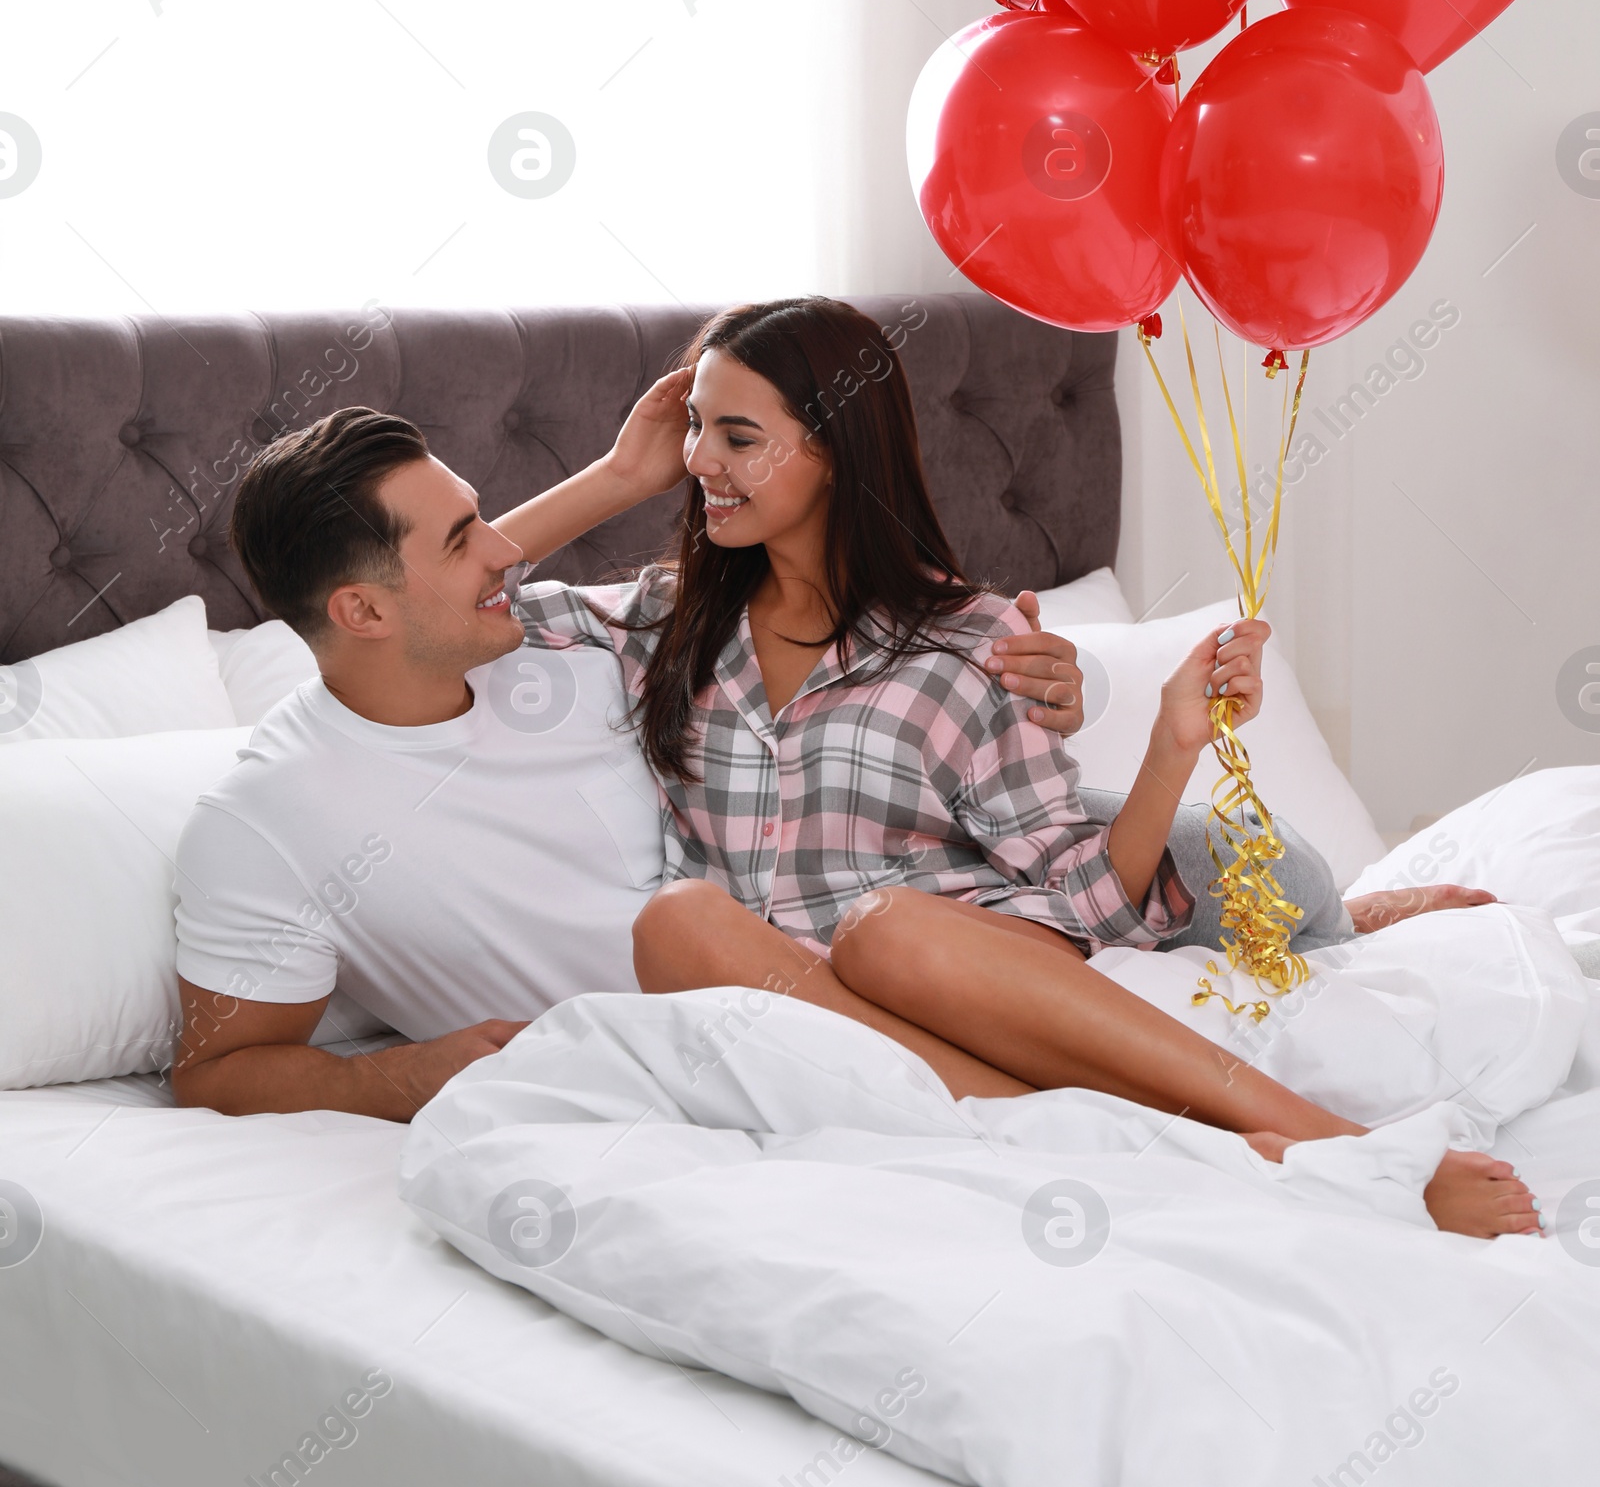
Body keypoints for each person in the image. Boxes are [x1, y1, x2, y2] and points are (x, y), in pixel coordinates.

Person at [518, 297, 1535, 1241]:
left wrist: (1170, 746)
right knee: (675, 919)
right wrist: (617, 475)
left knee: (887, 926)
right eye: (694, 427)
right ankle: (1195, 1152)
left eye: (737, 437)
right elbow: (458, 597)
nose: (700, 459)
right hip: (789, 1014)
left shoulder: (967, 642)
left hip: (945, 980)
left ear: (835, 451)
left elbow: (1089, 903)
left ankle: (1325, 1141)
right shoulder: (663, 618)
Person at [169, 390, 1081, 1120]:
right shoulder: (265, 820)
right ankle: (1051, 1124)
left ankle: (1071, 1117)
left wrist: (1000, 655)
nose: (505, 554)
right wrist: (396, 1077)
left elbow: (825, 636)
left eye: (483, 518)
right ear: (360, 613)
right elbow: (217, 1072)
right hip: (686, 1083)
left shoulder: (566, 659)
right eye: (463, 540)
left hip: (858, 981)